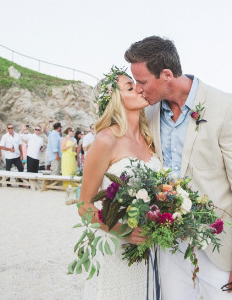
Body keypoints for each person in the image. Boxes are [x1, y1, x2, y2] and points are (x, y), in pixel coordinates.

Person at [125, 36, 232, 298]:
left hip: (218, 245)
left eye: (142, 82)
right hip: (167, 245)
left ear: (166, 74)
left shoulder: (226, 106)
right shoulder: (148, 114)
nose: (138, 89)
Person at [78, 66, 159, 299]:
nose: (140, 90)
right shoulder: (106, 140)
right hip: (116, 247)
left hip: (150, 248)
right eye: (130, 87)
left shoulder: (150, 137)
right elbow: (84, 206)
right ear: (115, 99)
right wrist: (123, 231)